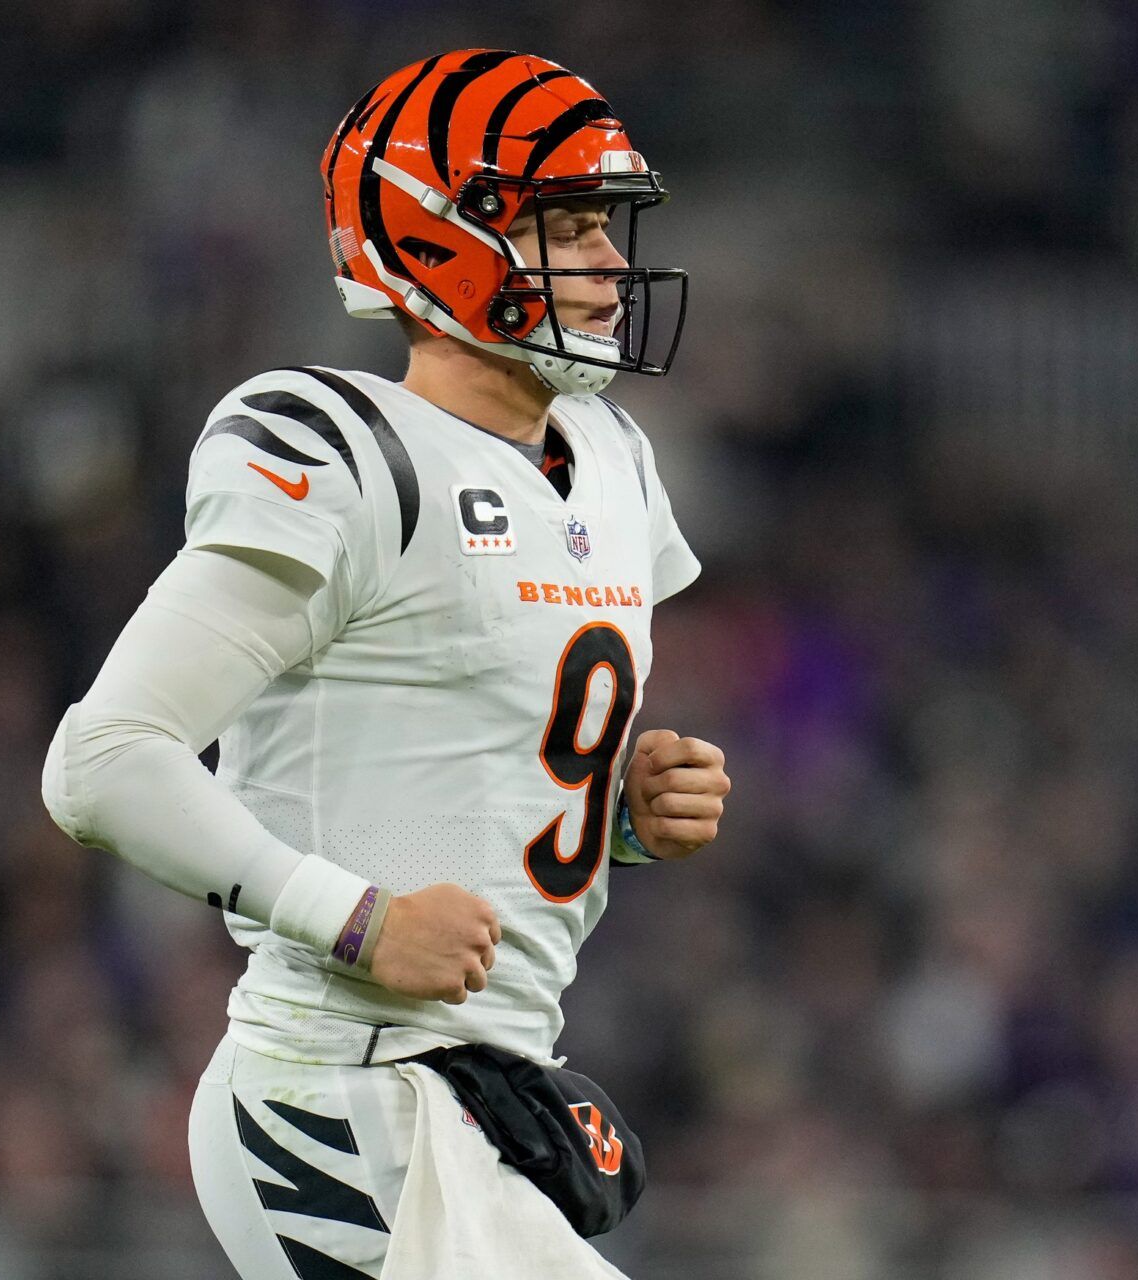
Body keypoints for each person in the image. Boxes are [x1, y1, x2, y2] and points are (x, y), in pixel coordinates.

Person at [41, 49, 729, 1279]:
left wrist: (621, 814)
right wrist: (352, 921)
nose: (613, 260)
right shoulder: (349, 450)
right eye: (569, 223)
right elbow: (102, 761)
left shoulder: (614, 460)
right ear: (443, 236)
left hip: (486, 1091)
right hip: (338, 1092)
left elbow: (459, 753)